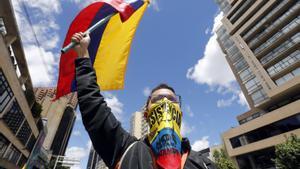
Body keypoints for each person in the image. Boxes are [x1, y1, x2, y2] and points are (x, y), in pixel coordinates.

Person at [72, 32, 217, 169]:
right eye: (158, 99)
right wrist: (83, 54)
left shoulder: (203, 163)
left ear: (180, 114)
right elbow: (94, 107)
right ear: (146, 115)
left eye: (172, 100)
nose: (165, 103)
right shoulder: (126, 150)